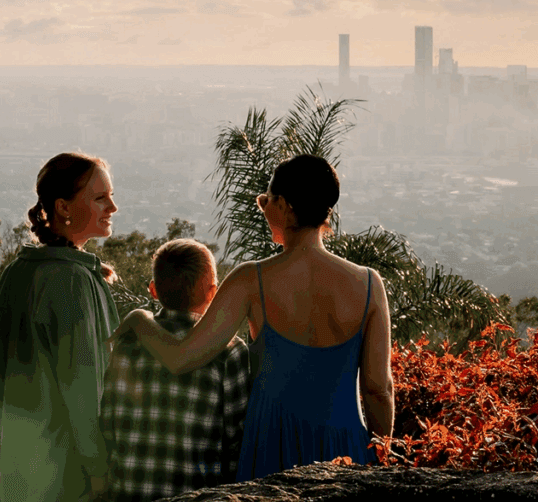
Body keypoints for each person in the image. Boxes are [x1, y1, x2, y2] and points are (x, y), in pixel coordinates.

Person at [109, 154, 394, 480]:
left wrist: (138, 318)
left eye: (266, 200)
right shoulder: (369, 284)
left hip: (271, 450)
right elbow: (378, 390)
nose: (262, 208)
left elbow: (180, 357)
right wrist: (381, 466)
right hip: (346, 450)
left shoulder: (251, 281)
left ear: (285, 206)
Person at [0, 152, 120, 502]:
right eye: (99, 198)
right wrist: (98, 470)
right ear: (63, 208)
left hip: (20, 470)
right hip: (67, 476)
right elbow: (85, 388)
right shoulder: (72, 282)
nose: (113, 207)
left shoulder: (17, 272)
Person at [100, 238, 251, 501]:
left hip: (129, 490)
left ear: (153, 290)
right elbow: (235, 441)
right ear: (212, 292)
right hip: (197, 492)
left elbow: (108, 424)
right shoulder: (229, 351)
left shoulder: (127, 342)